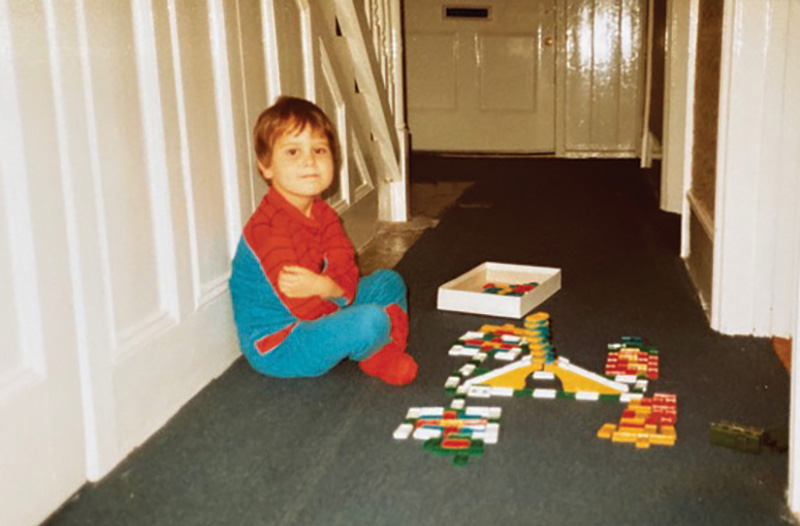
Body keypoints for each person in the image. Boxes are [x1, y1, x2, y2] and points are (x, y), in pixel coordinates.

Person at [229, 96, 417, 386]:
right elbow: (302, 308)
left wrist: (329, 288)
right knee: (370, 319)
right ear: (266, 167)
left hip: (321, 304)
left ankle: (382, 353)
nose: (309, 160)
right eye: (293, 152)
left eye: (319, 150)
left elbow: (346, 266)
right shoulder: (268, 230)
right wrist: (339, 297)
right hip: (282, 342)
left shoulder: (323, 212)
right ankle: (373, 339)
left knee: (387, 282)